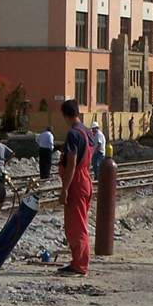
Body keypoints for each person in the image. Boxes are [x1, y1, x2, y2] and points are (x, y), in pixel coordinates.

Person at [58, 100, 94, 276]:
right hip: (85, 179)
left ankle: (80, 265)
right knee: (80, 223)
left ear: (64, 115)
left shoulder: (73, 134)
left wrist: (65, 188)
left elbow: (71, 163)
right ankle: (78, 261)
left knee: (76, 226)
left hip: (76, 182)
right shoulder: (87, 132)